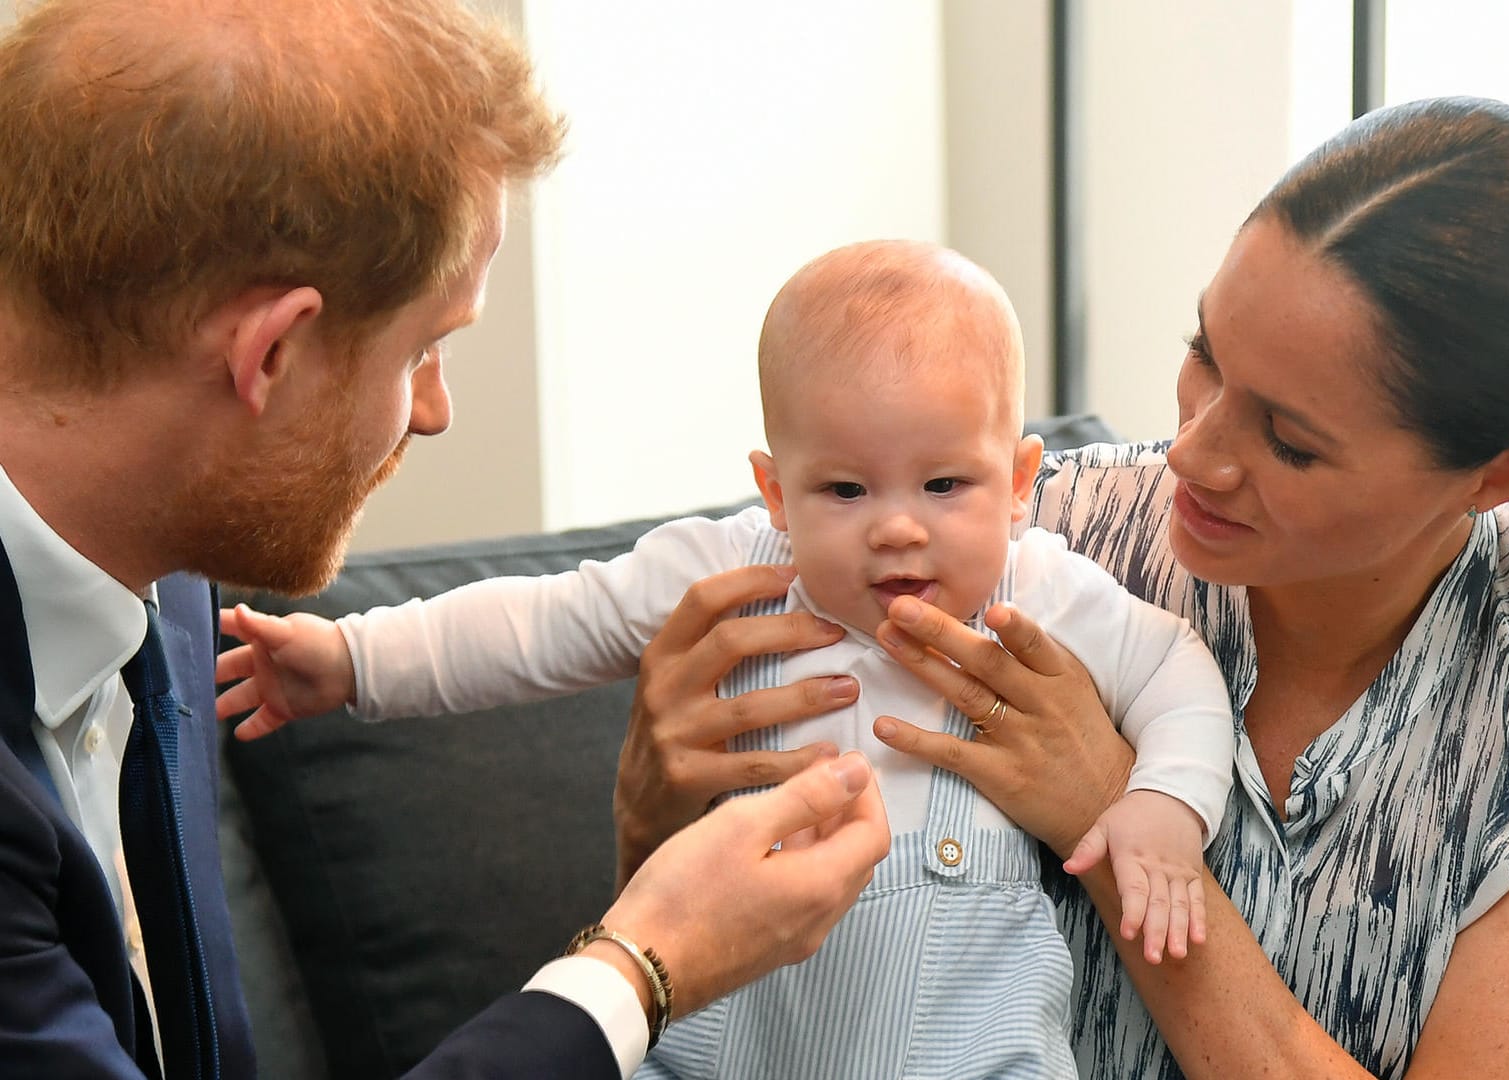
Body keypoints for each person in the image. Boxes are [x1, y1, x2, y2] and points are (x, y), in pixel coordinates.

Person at [617, 96, 1509, 1080]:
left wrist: (1109, 807)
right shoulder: (1018, 530)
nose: (1193, 450)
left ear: (1495, 477)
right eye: (1204, 355)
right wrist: (650, 817)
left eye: (1288, 440)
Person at [0, 1, 890, 1078]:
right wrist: (643, 967)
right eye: (427, 346)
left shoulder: (163, 563)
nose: (433, 411)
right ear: (272, 353)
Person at [215, 238, 1236, 1079]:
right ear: (775, 491)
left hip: (969, 1046)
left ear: (1018, 482)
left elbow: (1177, 674)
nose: (898, 531)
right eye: (845, 491)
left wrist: (1162, 809)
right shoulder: (729, 570)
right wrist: (349, 660)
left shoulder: (1044, 589)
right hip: (732, 1038)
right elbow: (540, 625)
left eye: (944, 486)